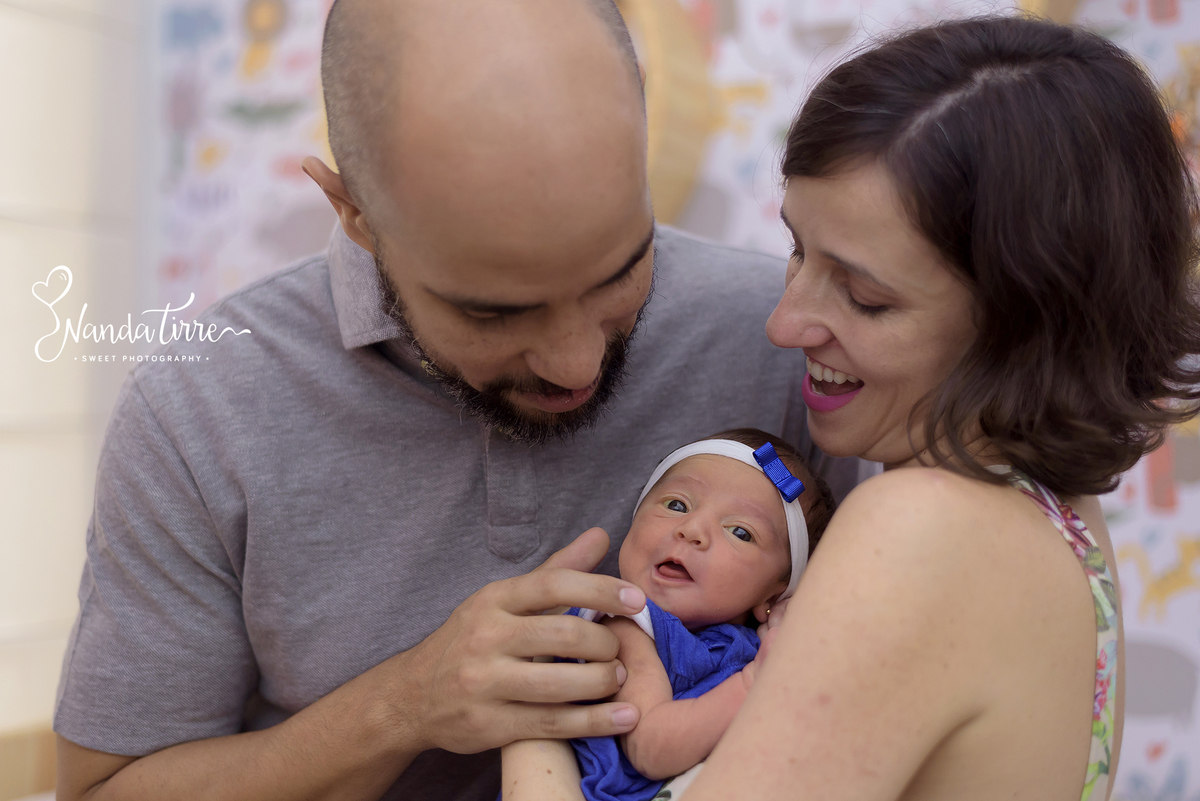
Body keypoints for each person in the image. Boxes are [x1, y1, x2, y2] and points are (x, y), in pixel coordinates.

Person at [53, 1, 856, 800]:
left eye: (620, 273)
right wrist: (403, 704)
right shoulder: (197, 411)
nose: (575, 362)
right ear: (354, 215)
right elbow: (106, 788)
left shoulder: (786, 338)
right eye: (493, 312)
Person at [504, 14, 1200, 801]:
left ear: (1024, 320)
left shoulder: (918, 526)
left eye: (865, 297)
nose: (785, 322)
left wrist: (532, 725)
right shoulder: (1054, 518)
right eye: (798, 249)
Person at [500, 429, 836, 801]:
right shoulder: (629, 624)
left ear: (772, 594)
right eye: (677, 505)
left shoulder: (757, 643)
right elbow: (650, 748)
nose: (691, 530)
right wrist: (756, 682)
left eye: (740, 531)